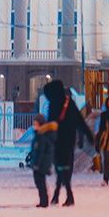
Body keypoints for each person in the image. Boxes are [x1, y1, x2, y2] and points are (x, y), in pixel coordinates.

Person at [43, 79, 91, 207]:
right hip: (68, 140)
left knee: (61, 167)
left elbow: (51, 124)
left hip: (58, 141)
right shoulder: (68, 103)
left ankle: (66, 195)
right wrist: (88, 136)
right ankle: (60, 194)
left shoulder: (54, 104)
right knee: (63, 167)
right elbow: (80, 121)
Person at [27, 113, 58, 208]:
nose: (34, 126)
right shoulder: (40, 134)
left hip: (41, 163)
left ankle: (44, 201)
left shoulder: (42, 135)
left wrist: (37, 163)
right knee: (40, 182)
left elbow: (40, 151)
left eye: (35, 124)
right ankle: (43, 200)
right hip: (41, 162)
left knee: (40, 182)